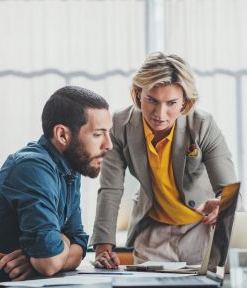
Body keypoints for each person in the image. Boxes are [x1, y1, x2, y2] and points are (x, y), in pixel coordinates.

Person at [0, 86, 113, 287]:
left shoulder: (70, 169)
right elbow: (49, 262)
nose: (109, 145)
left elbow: (79, 244)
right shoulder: (32, 168)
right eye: (98, 134)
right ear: (62, 135)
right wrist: (58, 246)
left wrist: (36, 259)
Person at [90, 52, 237, 269]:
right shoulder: (120, 125)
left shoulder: (203, 125)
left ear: (185, 102)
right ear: (138, 93)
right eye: (152, 100)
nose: (160, 113)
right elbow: (110, 189)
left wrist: (223, 205)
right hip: (153, 234)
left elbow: (229, 189)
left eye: (171, 103)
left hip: (200, 231)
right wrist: (103, 247)